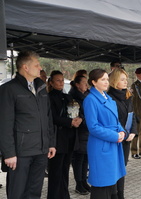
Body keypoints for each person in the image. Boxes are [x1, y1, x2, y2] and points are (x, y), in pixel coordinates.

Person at [0, 51, 56, 199]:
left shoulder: (42, 89)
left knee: (34, 192)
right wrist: (9, 153)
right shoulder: (9, 89)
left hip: (41, 151)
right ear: (25, 67)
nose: (40, 68)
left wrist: (51, 143)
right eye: (36, 65)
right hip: (20, 153)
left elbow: (48, 118)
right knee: (17, 193)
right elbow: (4, 123)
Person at [83, 68, 127, 199]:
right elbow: (93, 127)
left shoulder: (108, 98)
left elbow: (116, 120)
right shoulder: (91, 99)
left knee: (112, 183)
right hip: (101, 145)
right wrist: (115, 136)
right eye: (102, 80)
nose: (106, 82)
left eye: (107, 79)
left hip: (112, 144)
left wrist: (122, 132)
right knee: (102, 184)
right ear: (94, 82)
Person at [47, 70, 82, 199]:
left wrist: (79, 119)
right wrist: (70, 122)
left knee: (65, 170)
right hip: (57, 139)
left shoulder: (67, 96)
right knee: (55, 171)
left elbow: (77, 110)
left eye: (62, 80)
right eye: (58, 80)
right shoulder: (49, 97)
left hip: (69, 138)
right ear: (51, 82)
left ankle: (64, 195)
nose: (61, 83)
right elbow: (53, 117)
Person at [108, 68, 137, 199]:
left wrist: (133, 131)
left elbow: (133, 115)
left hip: (126, 138)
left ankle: (121, 195)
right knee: (114, 169)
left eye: (126, 79)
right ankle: (114, 195)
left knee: (122, 168)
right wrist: (122, 133)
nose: (126, 82)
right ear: (114, 81)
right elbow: (112, 121)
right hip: (116, 139)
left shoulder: (127, 96)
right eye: (122, 79)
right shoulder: (110, 98)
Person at [69, 75, 91, 194]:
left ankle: (84, 181)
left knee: (85, 158)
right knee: (78, 159)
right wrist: (86, 121)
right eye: (84, 83)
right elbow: (75, 116)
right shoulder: (73, 97)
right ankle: (79, 183)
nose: (86, 85)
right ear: (77, 84)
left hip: (87, 132)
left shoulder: (86, 96)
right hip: (79, 132)